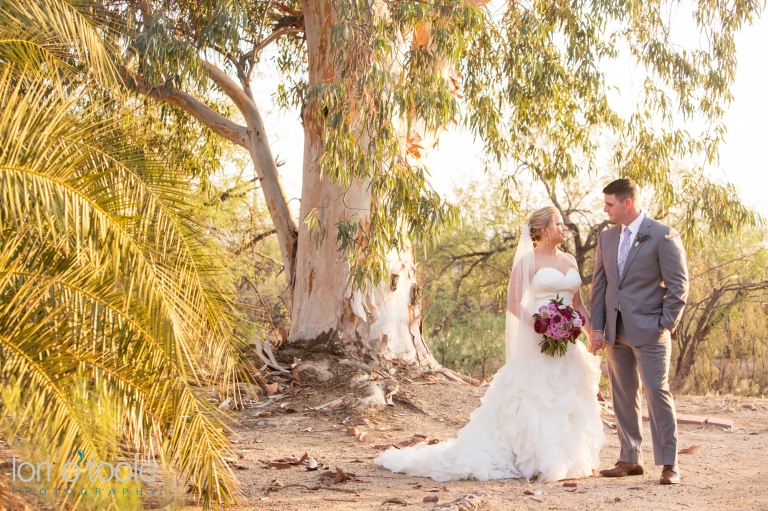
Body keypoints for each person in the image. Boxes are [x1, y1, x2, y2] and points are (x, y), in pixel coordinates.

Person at [375, 206, 605, 482]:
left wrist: (592, 332)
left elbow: (577, 304)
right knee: (536, 395)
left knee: (567, 396)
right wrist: (539, 324)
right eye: (559, 224)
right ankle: (536, 459)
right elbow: (513, 304)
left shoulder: (570, 261)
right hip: (538, 339)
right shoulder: (527, 262)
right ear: (545, 230)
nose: (565, 228)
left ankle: (567, 457)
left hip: (567, 341)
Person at [590, 178, 689, 485]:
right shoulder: (606, 238)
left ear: (627, 203)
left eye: (609, 204)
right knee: (622, 395)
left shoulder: (663, 235)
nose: (605, 209)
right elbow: (600, 285)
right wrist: (596, 327)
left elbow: (679, 286)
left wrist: (664, 324)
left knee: (657, 393)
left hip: (651, 331)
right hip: (614, 331)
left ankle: (669, 464)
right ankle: (630, 458)